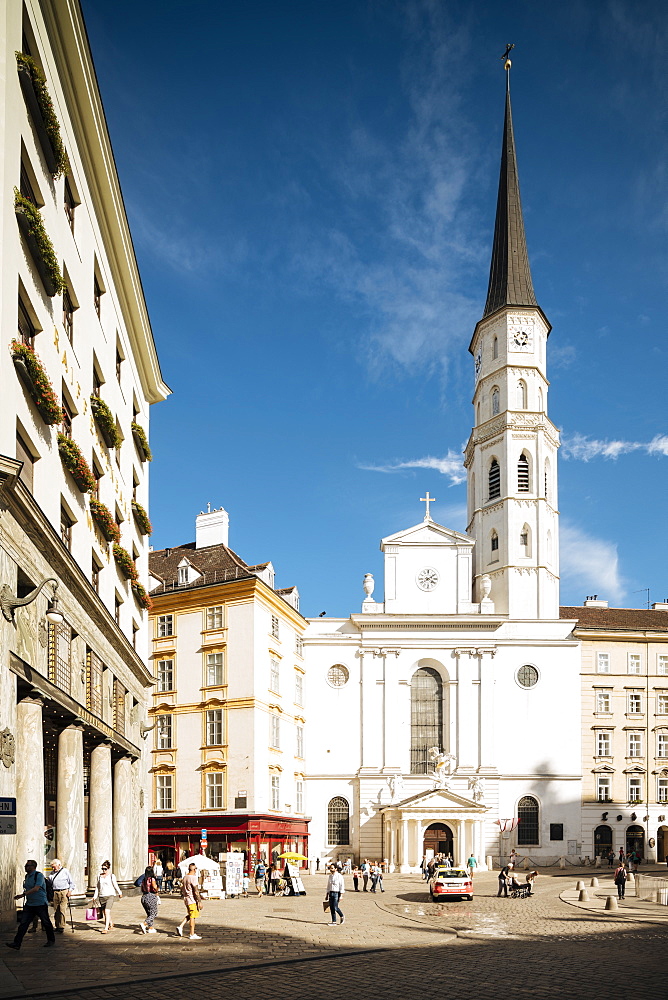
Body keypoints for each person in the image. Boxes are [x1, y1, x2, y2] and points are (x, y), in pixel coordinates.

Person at [7, 860, 56, 950]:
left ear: (33, 866)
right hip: (30, 904)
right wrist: (24, 894)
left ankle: (51, 940)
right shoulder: (27, 876)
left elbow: (36, 888)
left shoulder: (39, 875)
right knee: (23, 924)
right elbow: (27, 888)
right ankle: (17, 943)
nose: (26, 867)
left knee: (46, 922)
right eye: (26, 865)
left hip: (40, 903)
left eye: (28, 865)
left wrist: (23, 895)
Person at [48, 858, 75, 933]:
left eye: (54, 866)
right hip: (55, 892)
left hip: (64, 891)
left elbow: (71, 882)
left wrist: (70, 891)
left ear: (59, 865)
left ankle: (61, 926)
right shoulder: (52, 873)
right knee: (56, 909)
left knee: (62, 909)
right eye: (52, 867)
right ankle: (57, 925)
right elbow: (49, 882)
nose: (53, 868)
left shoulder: (65, 871)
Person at [177, 862, 202, 939]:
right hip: (192, 900)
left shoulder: (185, 877)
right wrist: (199, 901)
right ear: (194, 869)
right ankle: (192, 933)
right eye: (195, 869)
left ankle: (181, 926)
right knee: (192, 917)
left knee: (190, 914)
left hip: (186, 898)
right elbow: (196, 891)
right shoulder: (193, 878)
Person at [95, 860, 122, 934]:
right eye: (102, 869)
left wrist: (119, 892)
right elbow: (97, 887)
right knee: (104, 912)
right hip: (102, 896)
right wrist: (95, 896)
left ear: (108, 868)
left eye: (105, 869)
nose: (104, 870)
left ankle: (106, 928)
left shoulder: (111, 876)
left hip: (110, 895)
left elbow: (115, 885)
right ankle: (111, 923)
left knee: (107, 911)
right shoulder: (99, 876)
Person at [138, 866, 159, 934]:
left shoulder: (143, 879)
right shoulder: (152, 879)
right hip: (151, 896)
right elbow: (154, 887)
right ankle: (144, 924)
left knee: (149, 913)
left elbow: (140, 887)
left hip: (144, 896)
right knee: (154, 913)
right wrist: (157, 889)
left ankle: (150, 927)